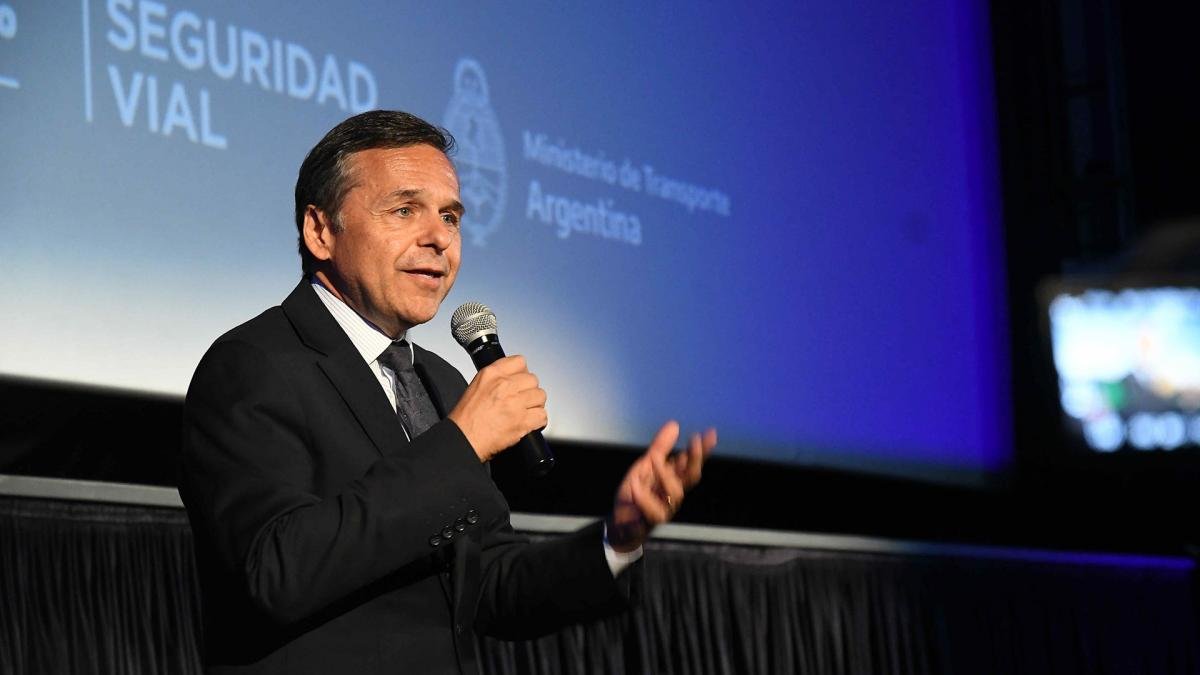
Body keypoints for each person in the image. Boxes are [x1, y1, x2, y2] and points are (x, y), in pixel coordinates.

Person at [178, 110, 716, 675]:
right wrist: (461, 444)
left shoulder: (440, 380)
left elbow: (490, 586)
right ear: (321, 231)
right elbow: (273, 572)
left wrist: (617, 538)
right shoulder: (253, 364)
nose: (439, 238)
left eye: (451, 217)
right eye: (404, 210)